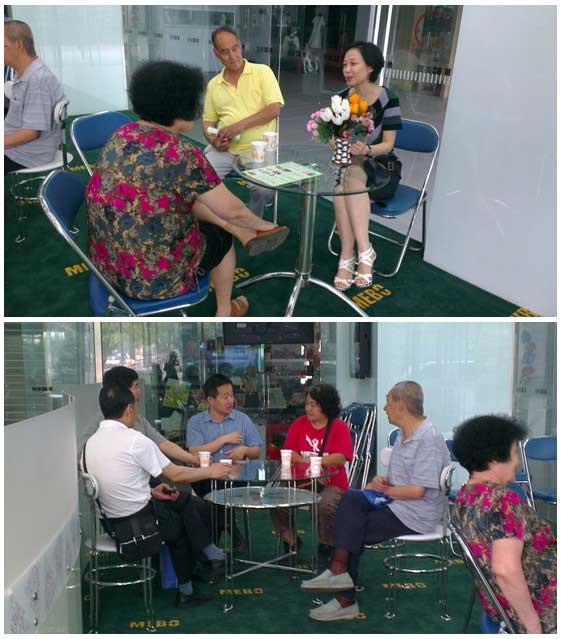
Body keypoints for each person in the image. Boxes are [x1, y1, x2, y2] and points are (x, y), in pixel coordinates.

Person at [86, 60, 289, 317]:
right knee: (219, 235)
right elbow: (233, 209)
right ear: (182, 106)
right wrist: (263, 224)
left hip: (107, 263)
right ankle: (225, 310)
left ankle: (242, 231)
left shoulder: (122, 134)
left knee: (186, 200)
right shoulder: (180, 152)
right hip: (152, 278)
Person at [300, 381, 450, 621]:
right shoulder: (403, 435)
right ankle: (339, 572)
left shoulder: (428, 440)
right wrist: (382, 483)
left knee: (351, 526)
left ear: (401, 405)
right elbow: (401, 481)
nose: (385, 408)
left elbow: (417, 491)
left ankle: (343, 593)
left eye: (388, 402)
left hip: (415, 514)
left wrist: (386, 491)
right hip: (397, 503)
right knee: (351, 499)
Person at [83, 384, 232, 608]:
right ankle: (198, 576)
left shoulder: (90, 444)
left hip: (112, 525)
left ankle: (210, 561)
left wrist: (152, 491)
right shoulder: (134, 441)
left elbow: (116, 483)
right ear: (130, 408)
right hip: (138, 529)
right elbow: (176, 474)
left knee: (180, 500)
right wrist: (210, 471)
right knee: (182, 519)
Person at [452, 415, 556, 634]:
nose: (518, 462)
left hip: (502, 607)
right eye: (515, 453)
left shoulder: (465, 496)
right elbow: (505, 570)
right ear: (494, 459)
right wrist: (532, 626)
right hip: (542, 609)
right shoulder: (502, 501)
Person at [332, 42, 402, 291]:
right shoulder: (341, 98)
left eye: (353, 64)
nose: (347, 69)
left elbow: (388, 144)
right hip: (351, 166)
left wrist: (367, 150)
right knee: (342, 187)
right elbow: (334, 138)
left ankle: (353, 255)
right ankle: (359, 254)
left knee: (345, 185)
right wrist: (335, 142)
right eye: (344, 64)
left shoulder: (388, 98)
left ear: (370, 67)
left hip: (382, 170)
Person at [202, 26, 284, 218]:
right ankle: (217, 220)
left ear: (241, 46)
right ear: (216, 54)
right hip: (224, 149)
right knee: (200, 178)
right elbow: (207, 124)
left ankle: (253, 221)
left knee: (262, 190)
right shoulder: (214, 84)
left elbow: (274, 109)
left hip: (258, 149)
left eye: (235, 48)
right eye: (225, 52)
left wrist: (239, 126)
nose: (233, 56)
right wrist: (214, 141)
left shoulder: (262, 72)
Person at [271, 384, 354, 562]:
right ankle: (290, 539)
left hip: (332, 483)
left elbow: (341, 458)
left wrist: (311, 461)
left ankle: (326, 543)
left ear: (326, 406)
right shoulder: (299, 424)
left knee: (324, 504)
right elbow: (289, 453)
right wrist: (313, 462)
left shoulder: (339, 427)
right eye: (307, 404)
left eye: (313, 405)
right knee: (276, 495)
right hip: (300, 481)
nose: (308, 408)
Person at [186, 373, 263, 549]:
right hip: (205, 477)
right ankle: (230, 529)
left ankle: (211, 548)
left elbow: (257, 452)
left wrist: (245, 450)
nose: (231, 401)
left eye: (232, 396)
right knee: (214, 490)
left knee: (216, 498)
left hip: (236, 477)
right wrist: (224, 440)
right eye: (225, 396)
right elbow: (195, 452)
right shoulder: (196, 422)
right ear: (210, 400)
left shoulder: (242, 419)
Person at [78, 366, 198, 467]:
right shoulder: (99, 424)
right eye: (136, 386)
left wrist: (193, 459)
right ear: (122, 392)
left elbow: (164, 444)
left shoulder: (139, 420)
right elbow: (81, 456)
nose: (140, 391)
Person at [4, 20, 65, 173]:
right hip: (14, 147)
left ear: (18, 45)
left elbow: (30, 133)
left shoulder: (38, 80)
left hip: (23, 155)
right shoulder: (26, 74)